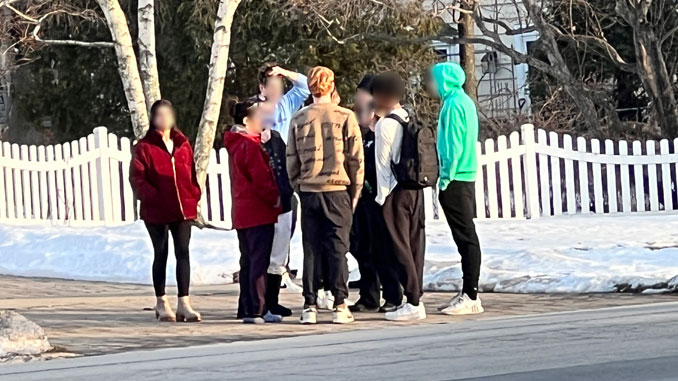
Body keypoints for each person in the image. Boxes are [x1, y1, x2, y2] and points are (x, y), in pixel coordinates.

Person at [287, 66, 364, 324]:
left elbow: (292, 159)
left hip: (309, 190)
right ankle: (340, 303)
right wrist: (356, 190)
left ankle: (310, 305)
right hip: (337, 189)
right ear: (331, 86)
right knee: (337, 249)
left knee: (310, 249)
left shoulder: (299, 118)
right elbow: (355, 159)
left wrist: (299, 185)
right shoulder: (345, 116)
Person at [131, 99, 202, 323]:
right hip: (156, 211)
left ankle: (184, 302)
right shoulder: (144, 147)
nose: (164, 119)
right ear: (153, 119)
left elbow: (191, 172)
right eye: (159, 115)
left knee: (183, 253)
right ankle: (161, 301)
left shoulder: (182, 143)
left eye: (167, 114)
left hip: (183, 209)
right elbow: (137, 178)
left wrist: (194, 193)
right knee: (161, 253)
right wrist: (152, 197)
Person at [372, 72, 427, 321]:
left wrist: (381, 198)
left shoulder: (384, 125)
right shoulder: (407, 116)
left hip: (395, 192)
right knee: (415, 244)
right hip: (415, 189)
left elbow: (383, 165)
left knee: (400, 246)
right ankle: (416, 297)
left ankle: (412, 301)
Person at [430, 62, 484, 315]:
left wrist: (445, 177)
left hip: (457, 178)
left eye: (434, 79)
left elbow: (453, 145)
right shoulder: (465, 102)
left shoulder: (452, 105)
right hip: (466, 175)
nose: (431, 84)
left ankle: (471, 295)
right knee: (465, 236)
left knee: (465, 237)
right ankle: (467, 291)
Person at [224, 100, 282, 324]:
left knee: (248, 259)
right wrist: (275, 196)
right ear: (247, 121)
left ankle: (248, 306)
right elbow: (261, 180)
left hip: (242, 210)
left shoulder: (236, 144)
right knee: (258, 261)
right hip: (257, 210)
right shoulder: (249, 145)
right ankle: (257, 308)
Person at [349, 75, 403, 313]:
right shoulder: (362, 133)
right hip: (362, 198)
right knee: (362, 247)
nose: (360, 112)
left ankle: (393, 294)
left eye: (366, 106)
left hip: (382, 198)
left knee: (382, 249)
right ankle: (368, 294)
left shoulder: (384, 129)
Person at [259, 102, 295, 318]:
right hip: (262, 207)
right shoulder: (250, 142)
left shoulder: (276, 139)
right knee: (259, 256)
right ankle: (256, 302)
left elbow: (288, 166)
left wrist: (288, 189)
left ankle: (272, 301)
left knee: (278, 257)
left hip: (283, 203)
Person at [254, 63, 310, 142]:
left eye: (279, 86)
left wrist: (286, 73)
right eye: (273, 86)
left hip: (286, 153)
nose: (277, 91)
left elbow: (307, 86)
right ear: (262, 88)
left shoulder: (286, 103)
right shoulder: (252, 110)